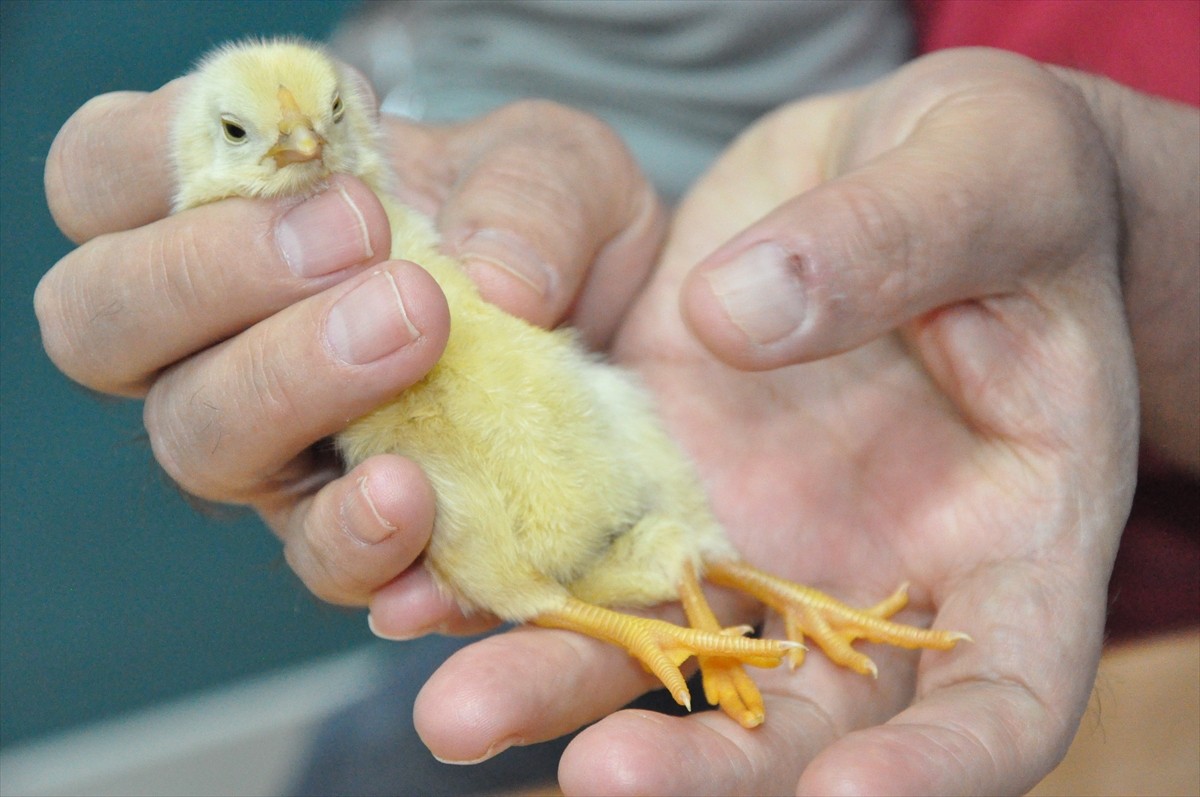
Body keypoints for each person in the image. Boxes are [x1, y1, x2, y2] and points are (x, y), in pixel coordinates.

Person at [35, 3, 1198, 794]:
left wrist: (1139, 221)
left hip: (1106, 588)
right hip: (735, 431)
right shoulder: (382, 262)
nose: (298, 151)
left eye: (321, 126)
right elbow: (652, 52)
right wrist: (594, 193)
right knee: (380, 757)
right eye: (254, 137)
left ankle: (703, 611)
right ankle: (694, 613)